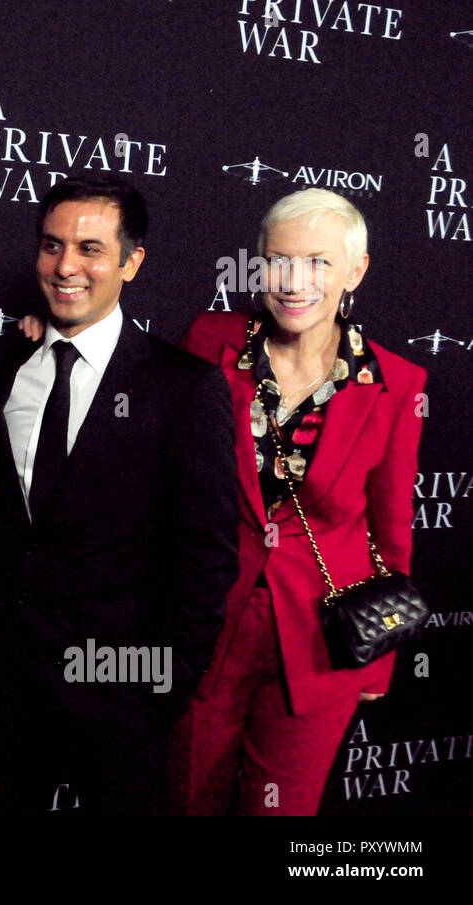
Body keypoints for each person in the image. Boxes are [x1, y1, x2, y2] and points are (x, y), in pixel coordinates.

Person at [0, 174, 238, 815]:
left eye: (91, 248)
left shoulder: (185, 387)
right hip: (6, 690)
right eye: (51, 245)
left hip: (121, 694)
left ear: (131, 262)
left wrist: (157, 692)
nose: (66, 266)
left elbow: (206, 560)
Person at [170, 188, 427, 815]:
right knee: (185, 799)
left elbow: (392, 526)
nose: (294, 281)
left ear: (355, 271)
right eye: (279, 261)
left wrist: (376, 662)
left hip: (319, 645)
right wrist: (52, 332)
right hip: (208, 625)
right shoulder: (210, 341)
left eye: (318, 262)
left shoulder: (396, 384)